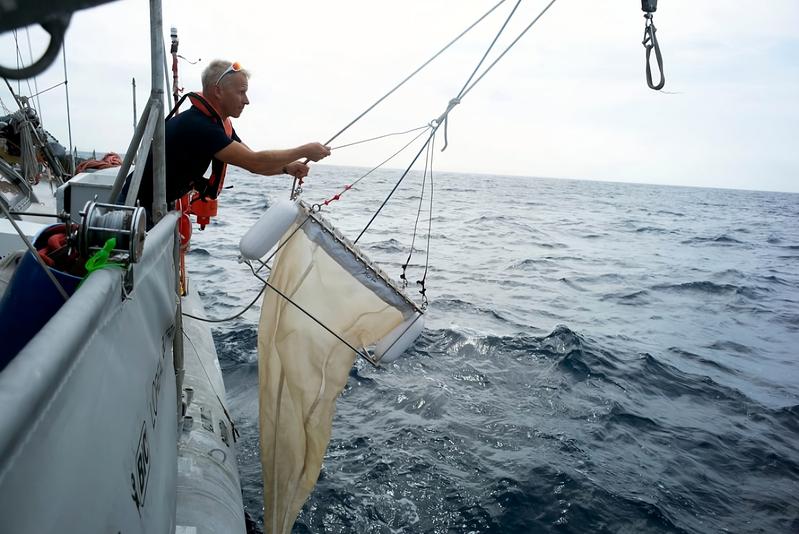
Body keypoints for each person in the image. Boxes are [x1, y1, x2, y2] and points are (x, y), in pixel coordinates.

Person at [131, 59, 330, 218]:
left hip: (152, 207)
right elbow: (256, 162)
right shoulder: (199, 126)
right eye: (241, 92)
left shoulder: (216, 124)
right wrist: (304, 151)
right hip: (136, 210)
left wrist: (286, 168)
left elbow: (252, 161)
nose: (247, 100)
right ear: (218, 91)